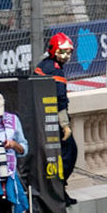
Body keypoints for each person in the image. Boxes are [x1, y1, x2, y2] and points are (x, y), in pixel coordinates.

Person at [36, 33, 77, 179]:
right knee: (69, 154)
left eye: (68, 52)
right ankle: (60, 189)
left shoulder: (44, 65)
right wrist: (65, 125)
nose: (65, 56)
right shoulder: (55, 70)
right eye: (62, 52)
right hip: (52, 118)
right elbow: (59, 99)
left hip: (42, 117)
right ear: (54, 50)